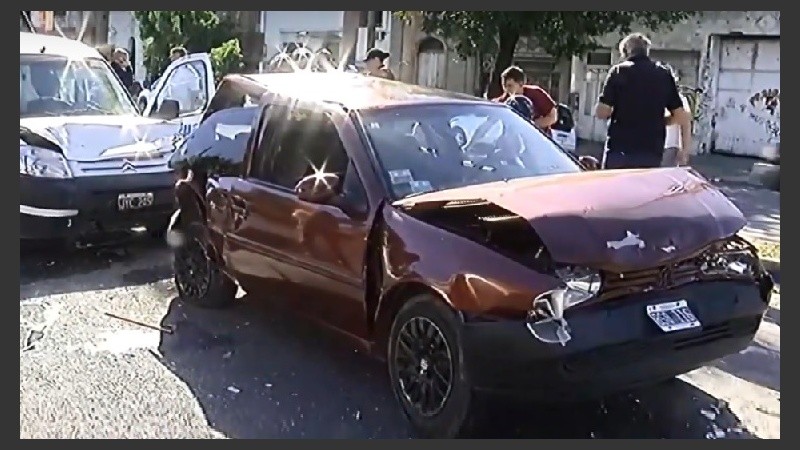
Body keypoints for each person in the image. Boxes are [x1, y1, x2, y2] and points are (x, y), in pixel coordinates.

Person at [594, 33, 692, 169]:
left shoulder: (618, 71)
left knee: (615, 182)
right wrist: (660, 121)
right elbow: (680, 115)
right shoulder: (663, 74)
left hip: (620, 148)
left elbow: (602, 112)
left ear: (626, 52)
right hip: (651, 150)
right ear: (646, 51)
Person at [493, 66, 558, 134]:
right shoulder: (502, 101)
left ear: (521, 83)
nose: (507, 89)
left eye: (510, 86)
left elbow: (553, 117)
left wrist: (531, 125)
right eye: (504, 86)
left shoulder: (536, 94)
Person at [661, 65, 693, 167]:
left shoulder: (680, 100)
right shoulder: (655, 96)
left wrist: (685, 150)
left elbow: (686, 125)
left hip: (670, 146)